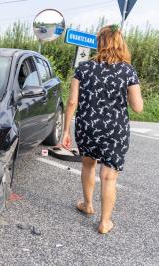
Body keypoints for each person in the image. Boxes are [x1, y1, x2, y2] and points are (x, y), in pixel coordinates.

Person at [62, 24, 143, 234]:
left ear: (100, 42)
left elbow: (72, 102)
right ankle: (105, 222)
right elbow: (138, 107)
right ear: (119, 43)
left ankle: (88, 206)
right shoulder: (127, 70)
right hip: (115, 130)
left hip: (87, 126)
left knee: (88, 165)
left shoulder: (83, 68)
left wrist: (65, 131)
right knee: (109, 177)